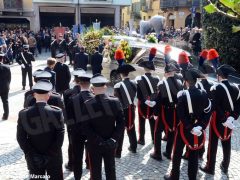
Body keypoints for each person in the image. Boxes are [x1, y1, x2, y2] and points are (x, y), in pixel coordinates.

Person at [164, 68, 212, 180]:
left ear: (186, 81)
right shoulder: (203, 94)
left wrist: (189, 127)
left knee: (177, 153)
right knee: (194, 155)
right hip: (198, 129)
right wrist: (201, 126)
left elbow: (180, 115)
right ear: (196, 81)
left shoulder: (183, 95)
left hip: (184, 129)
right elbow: (208, 111)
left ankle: (174, 176)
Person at [17, 80, 65, 180]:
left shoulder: (23, 113)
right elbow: (60, 136)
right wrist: (50, 154)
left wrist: (32, 154)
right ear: (48, 95)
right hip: (54, 157)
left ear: (34, 95)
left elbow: (21, 138)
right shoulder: (57, 112)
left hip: (34, 158)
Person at [200, 64, 240, 175]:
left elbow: (215, 106)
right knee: (227, 143)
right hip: (229, 121)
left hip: (218, 119)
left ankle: (210, 167)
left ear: (219, 76)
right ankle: (225, 166)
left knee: (213, 144)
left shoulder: (217, 88)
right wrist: (232, 117)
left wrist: (223, 119)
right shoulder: (236, 88)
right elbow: (238, 105)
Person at [83, 74, 125, 180]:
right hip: (110, 142)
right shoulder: (115, 101)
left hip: (94, 144)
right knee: (110, 169)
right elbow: (121, 123)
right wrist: (113, 138)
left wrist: (98, 140)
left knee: (95, 171)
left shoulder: (88, 104)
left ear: (92, 89)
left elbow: (85, 126)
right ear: (105, 87)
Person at [151, 63, 183, 161]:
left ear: (166, 73)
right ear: (173, 72)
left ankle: (157, 153)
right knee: (172, 131)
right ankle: (168, 152)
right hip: (175, 111)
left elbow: (159, 100)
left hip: (164, 111)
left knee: (157, 132)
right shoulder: (179, 82)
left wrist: (155, 113)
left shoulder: (162, 83)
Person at [66, 70, 93, 179]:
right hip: (92, 133)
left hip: (76, 133)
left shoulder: (72, 99)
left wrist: (73, 131)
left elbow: (69, 120)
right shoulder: (95, 98)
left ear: (79, 83)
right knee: (92, 155)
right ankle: (90, 169)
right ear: (89, 84)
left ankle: (77, 177)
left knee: (77, 157)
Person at [114, 64, 137, 158]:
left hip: (122, 110)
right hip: (131, 108)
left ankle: (118, 152)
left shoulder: (118, 85)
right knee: (131, 128)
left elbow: (116, 100)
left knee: (120, 130)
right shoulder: (134, 83)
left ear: (121, 74)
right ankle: (134, 147)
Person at [135, 60, 160, 145]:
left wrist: (145, 101)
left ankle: (141, 139)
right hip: (153, 104)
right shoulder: (157, 79)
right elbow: (157, 93)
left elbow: (138, 94)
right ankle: (154, 139)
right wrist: (153, 102)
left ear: (144, 68)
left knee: (141, 122)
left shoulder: (139, 79)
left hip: (142, 104)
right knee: (152, 122)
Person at [63, 69, 83, 171]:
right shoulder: (90, 92)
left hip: (72, 123)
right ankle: (88, 163)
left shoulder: (67, 93)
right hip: (86, 122)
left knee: (72, 144)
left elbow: (66, 109)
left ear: (74, 80)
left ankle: (72, 164)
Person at [0, 53, 11, 120]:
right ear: (2, 59)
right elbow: (9, 78)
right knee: (5, 102)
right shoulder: (7, 67)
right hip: (4, 87)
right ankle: (6, 116)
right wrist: (7, 85)